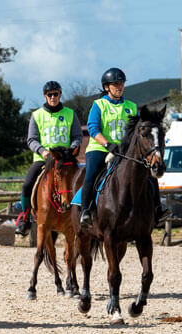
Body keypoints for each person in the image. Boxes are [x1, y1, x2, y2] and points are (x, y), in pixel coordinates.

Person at [15, 81, 82, 235]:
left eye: (55, 94)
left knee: (83, 180)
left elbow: (77, 136)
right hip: (44, 158)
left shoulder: (70, 114)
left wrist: (72, 148)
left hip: (65, 159)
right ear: (45, 96)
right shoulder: (37, 115)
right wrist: (43, 151)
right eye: (49, 95)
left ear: (60, 94)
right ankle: (25, 218)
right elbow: (31, 139)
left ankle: (85, 215)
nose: (53, 97)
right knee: (27, 185)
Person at [79, 67, 139, 228]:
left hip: (125, 151)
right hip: (100, 148)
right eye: (116, 84)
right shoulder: (99, 105)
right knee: (91, 175)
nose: (120, 86)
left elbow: (137, 130)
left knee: (146, 172)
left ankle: (158, 208)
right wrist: (107, 144)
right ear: (106, 87)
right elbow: (92, 128)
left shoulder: (132, 106)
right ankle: (85, 211)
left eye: (122, 83)